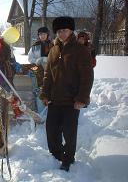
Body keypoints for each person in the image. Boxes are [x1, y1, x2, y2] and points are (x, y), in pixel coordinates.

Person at [40, 17, 94, 172]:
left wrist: (82, 98)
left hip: (72, 100)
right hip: (55, 99)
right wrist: (45, 93)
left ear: (71, 31)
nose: (62, 34)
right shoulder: (53, 50)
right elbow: (47, 75)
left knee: (69, 133)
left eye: (65, 30)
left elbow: (87, 77)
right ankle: (57, 155)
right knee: (51, 131)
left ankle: (68, 159)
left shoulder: (80, 50)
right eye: (59, 31)